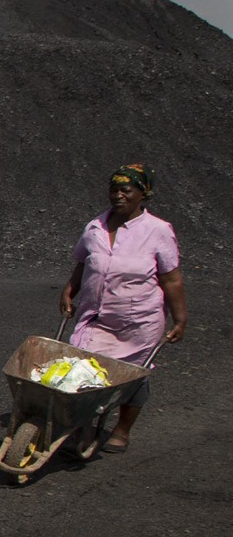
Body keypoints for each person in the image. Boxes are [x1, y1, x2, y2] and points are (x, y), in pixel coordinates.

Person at [58, 162, 187, 453]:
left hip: (138, 322)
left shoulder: (158, 230)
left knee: (132, 376)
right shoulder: (95, 227)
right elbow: (83, 263)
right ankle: (84, 425)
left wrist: (180, 319)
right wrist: (69, 290)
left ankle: (121, 430)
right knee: (82, 371)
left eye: (126, 190)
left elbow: (171, 278)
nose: (118, 195)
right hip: (96, 316)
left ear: (143, 194)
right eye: (114, 189)